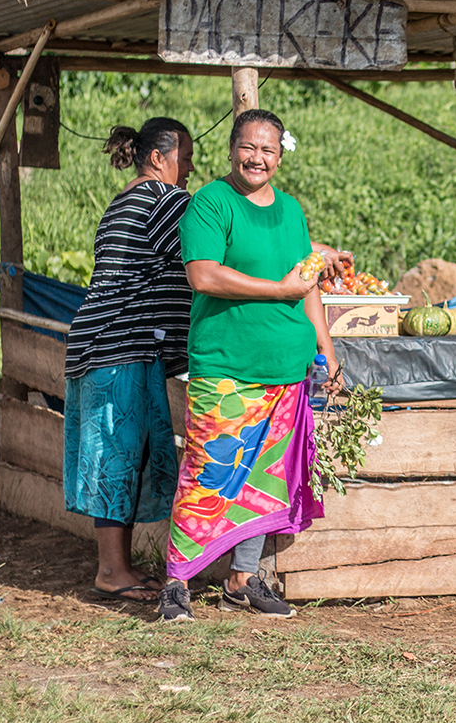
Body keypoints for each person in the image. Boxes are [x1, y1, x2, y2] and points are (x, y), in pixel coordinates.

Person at [158, 108, 342, 623]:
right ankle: (177, 581)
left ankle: (243, 579)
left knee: (267, 476)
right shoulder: (212, 203)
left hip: (287, 367)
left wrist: (326, 350)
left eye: (268, 150)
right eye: (249, 147)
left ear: (281, 155)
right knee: (208, 472)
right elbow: (204, 275)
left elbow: (308, 288)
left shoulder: (291, 211)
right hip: (227, 364)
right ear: (232, 149)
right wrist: (278, 289)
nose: (257, 158)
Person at [63, 118, 195, 603]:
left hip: (102, 341)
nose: (189, 173)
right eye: (187, 161)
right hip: (122, 344)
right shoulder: (165, 200)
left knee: (122, 452)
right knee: (118, 454)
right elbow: (216, 253)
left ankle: (115, 567)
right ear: (159, 158)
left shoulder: (124, 200)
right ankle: (111, 570)